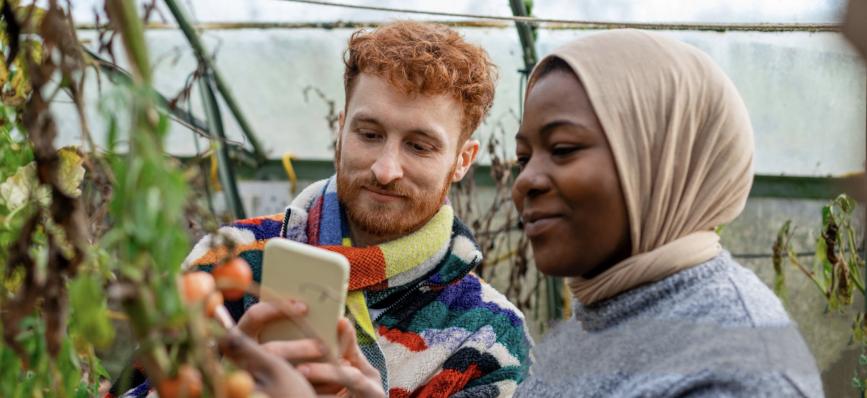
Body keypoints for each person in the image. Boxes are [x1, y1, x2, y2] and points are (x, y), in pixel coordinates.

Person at [107, 20, 531, 398]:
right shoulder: (231, 261)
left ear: (463, 160)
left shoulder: (489, 336)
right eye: (368, 134)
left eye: (419, 146)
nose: (385, 170)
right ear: (341, 130)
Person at [509, 29, 824, 397]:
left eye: (562, 148)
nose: (524, 181)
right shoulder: (598, 317)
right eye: (523, 158)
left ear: (666, 161)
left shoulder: (740, 372)